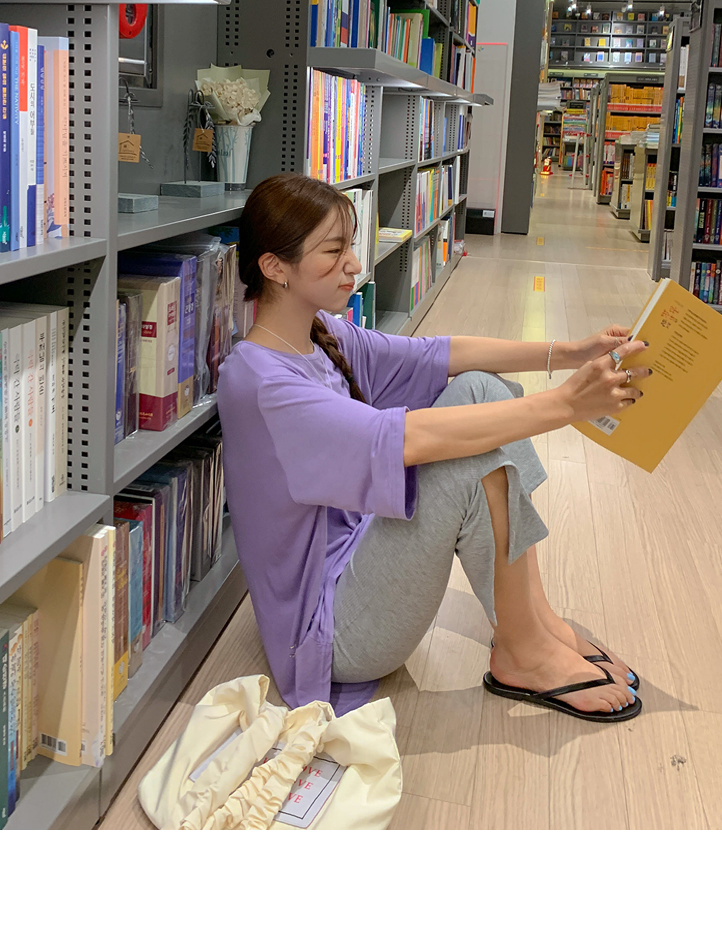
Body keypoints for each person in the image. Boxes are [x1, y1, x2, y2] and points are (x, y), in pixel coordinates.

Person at [217, 174, 651, 723]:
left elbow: (437, 354)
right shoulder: (259, 381)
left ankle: (535, 622)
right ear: (274, 267)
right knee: (472, 437)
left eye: (350, 246)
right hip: (334, 632)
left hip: (362, 558)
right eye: (333, 251)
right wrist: (567, 404)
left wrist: (568, 353)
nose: (354, 264)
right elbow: (406, 439)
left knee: (479, 388)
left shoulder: (321, 335)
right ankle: (524, 650)